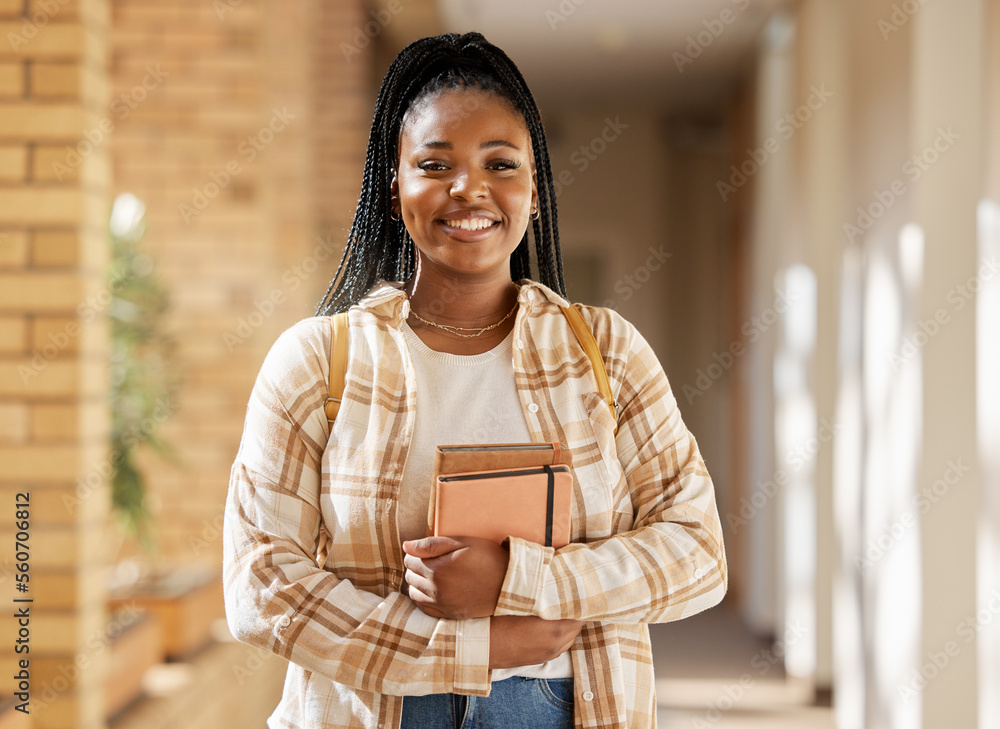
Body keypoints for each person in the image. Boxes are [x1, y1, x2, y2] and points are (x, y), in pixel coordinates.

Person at [223, 32, 727, 729]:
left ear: (534, 191)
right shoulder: (315, 361)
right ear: (392, 183)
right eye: (435, 163)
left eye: (501, 163)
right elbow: (261, 583)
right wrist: (470, 647)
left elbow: (697, 551)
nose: (470, 189)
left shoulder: (606, 353)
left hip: (561, 707)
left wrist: (523, 579)